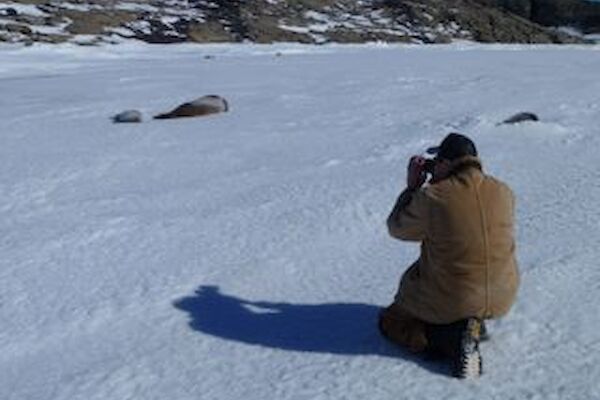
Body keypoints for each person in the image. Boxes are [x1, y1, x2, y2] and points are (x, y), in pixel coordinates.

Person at [380, 132, 519, 379]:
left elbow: (397, 228)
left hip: (455, 297)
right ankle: (472, 323)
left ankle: (449, 340)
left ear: (445, 164)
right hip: (502, 296)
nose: (433, 170)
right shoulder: (503, 191)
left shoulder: (433, 197)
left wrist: (413, 187)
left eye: (436, 164)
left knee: (391, 321)